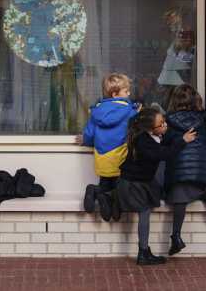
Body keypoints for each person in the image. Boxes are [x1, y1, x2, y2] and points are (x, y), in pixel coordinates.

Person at [115, 108, 196, 265]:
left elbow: (163, 142)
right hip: (133, 184)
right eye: (161, 124)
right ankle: (143, 252)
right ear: (150, 129)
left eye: (164, 121)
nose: (165, 125)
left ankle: (144, 250)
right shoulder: (143, 142)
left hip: (140, 181)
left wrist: (176, 136)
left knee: (146, 209)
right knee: (144, 212)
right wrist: (183, 140)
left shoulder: (151, 135)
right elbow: (163, 154)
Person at [162, 84, 206, 256]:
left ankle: (176, 237)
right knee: (192, 186)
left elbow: (165, 143)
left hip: (180, 168)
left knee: (179, 199)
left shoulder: (170, 119)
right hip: (201, 166)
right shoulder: (203, 118)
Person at [75, 73, 140, 221]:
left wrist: (84, 139)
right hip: (120, 156)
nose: (129, 94)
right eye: (126, 91)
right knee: (119, 187)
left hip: (102, 157)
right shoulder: (129, 111)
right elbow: (136, 130)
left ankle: (95, 191)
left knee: (105, 183)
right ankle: (114, 211)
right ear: (115, 94)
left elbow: (90, 133)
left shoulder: (97, 111)